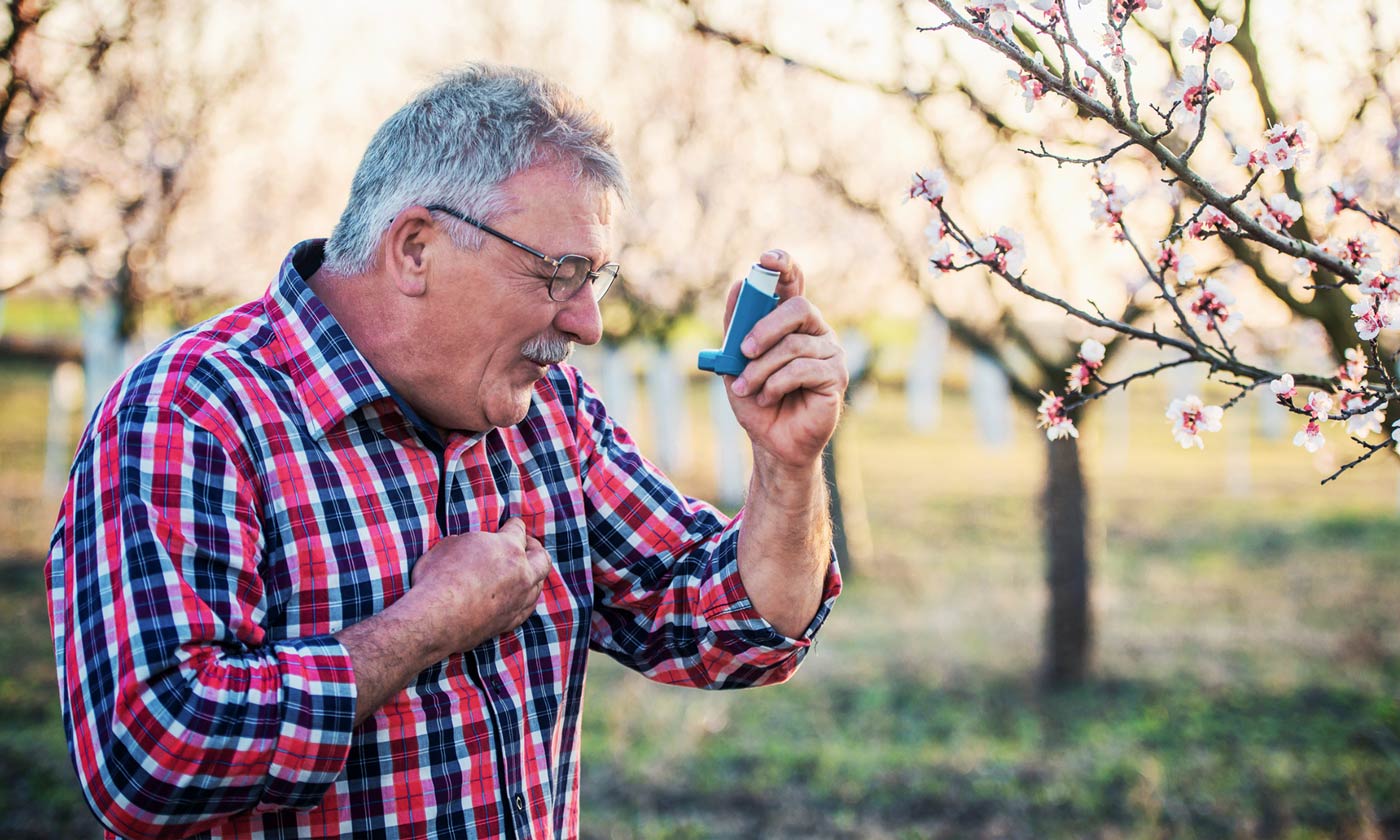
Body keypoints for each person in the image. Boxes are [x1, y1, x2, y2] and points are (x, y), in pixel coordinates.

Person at [46, 63, 845, 839]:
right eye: (559, 273)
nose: (585, 324)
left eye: (593, 279)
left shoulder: (550, 416)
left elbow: (730, 630)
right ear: (416, 248)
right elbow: (149, 760)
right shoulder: (192, 414)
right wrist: (424, 626)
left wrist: (787, 468)